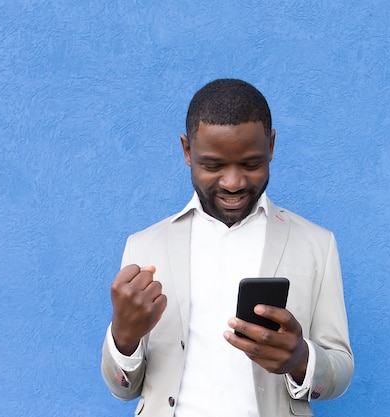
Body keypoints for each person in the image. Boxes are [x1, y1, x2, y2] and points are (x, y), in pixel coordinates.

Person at [101, 78, 353, 417]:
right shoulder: (145, 246)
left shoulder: (317, 244)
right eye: (213, 165)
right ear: (187, 151)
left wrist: (300, 359)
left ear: (271, 146)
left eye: (250, 164)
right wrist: (124, 337)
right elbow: (122, 389)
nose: (233, 183)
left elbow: (340, 371)